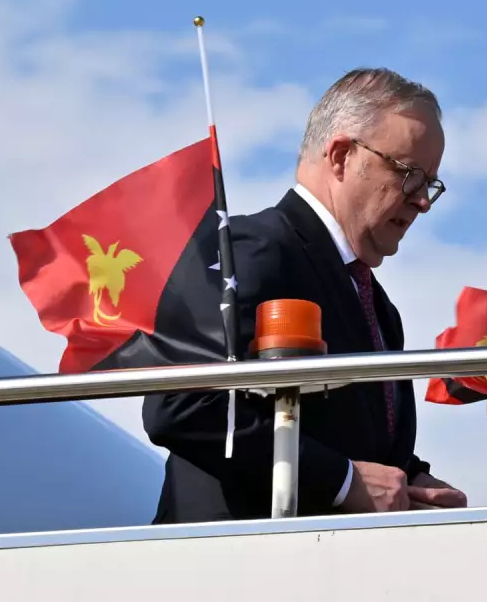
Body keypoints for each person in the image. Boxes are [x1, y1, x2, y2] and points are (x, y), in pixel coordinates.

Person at [143, 67, 467, 522]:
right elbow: (183, 405)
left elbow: (351, 444)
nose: (423, 201)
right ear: (340, 156)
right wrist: (344, 480)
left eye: (430, 183)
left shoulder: (376, 304)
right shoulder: (247, 250)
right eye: (410, 175)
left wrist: (411, 481)